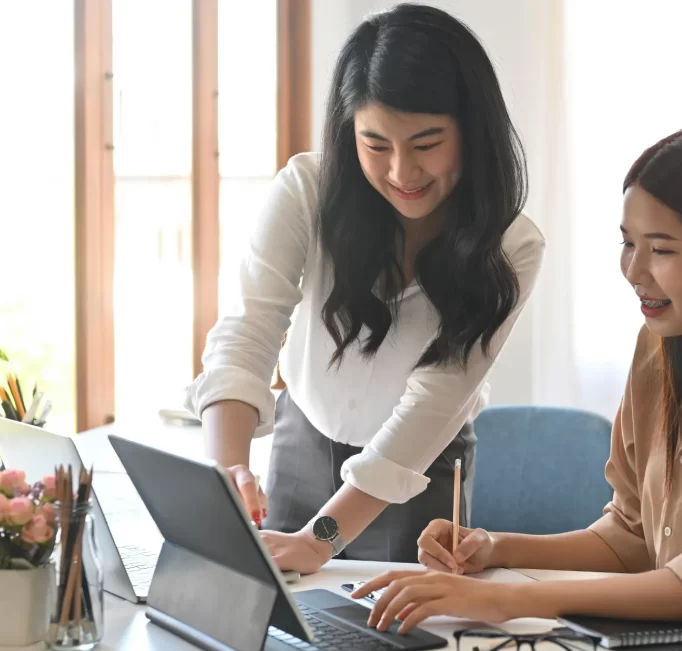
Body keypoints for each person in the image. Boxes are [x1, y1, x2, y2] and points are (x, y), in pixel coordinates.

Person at [351, 123, 682, 631]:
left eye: (660, 249)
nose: (633, 271)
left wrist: (509, 600)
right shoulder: (659, 351)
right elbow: (634, 537)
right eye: (627, 243)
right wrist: (495, 548)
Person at [184, 3, 544, 574]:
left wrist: (321, 538)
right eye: (376, 144)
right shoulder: (307, 190)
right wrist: (227, 471)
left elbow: (434, 403)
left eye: (427, 143)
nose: (403, 171)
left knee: (398, 626)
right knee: (280, 614)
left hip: (419, 463)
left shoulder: (511, 247)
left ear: (472, 132)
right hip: (303, 435)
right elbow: (247, 332)